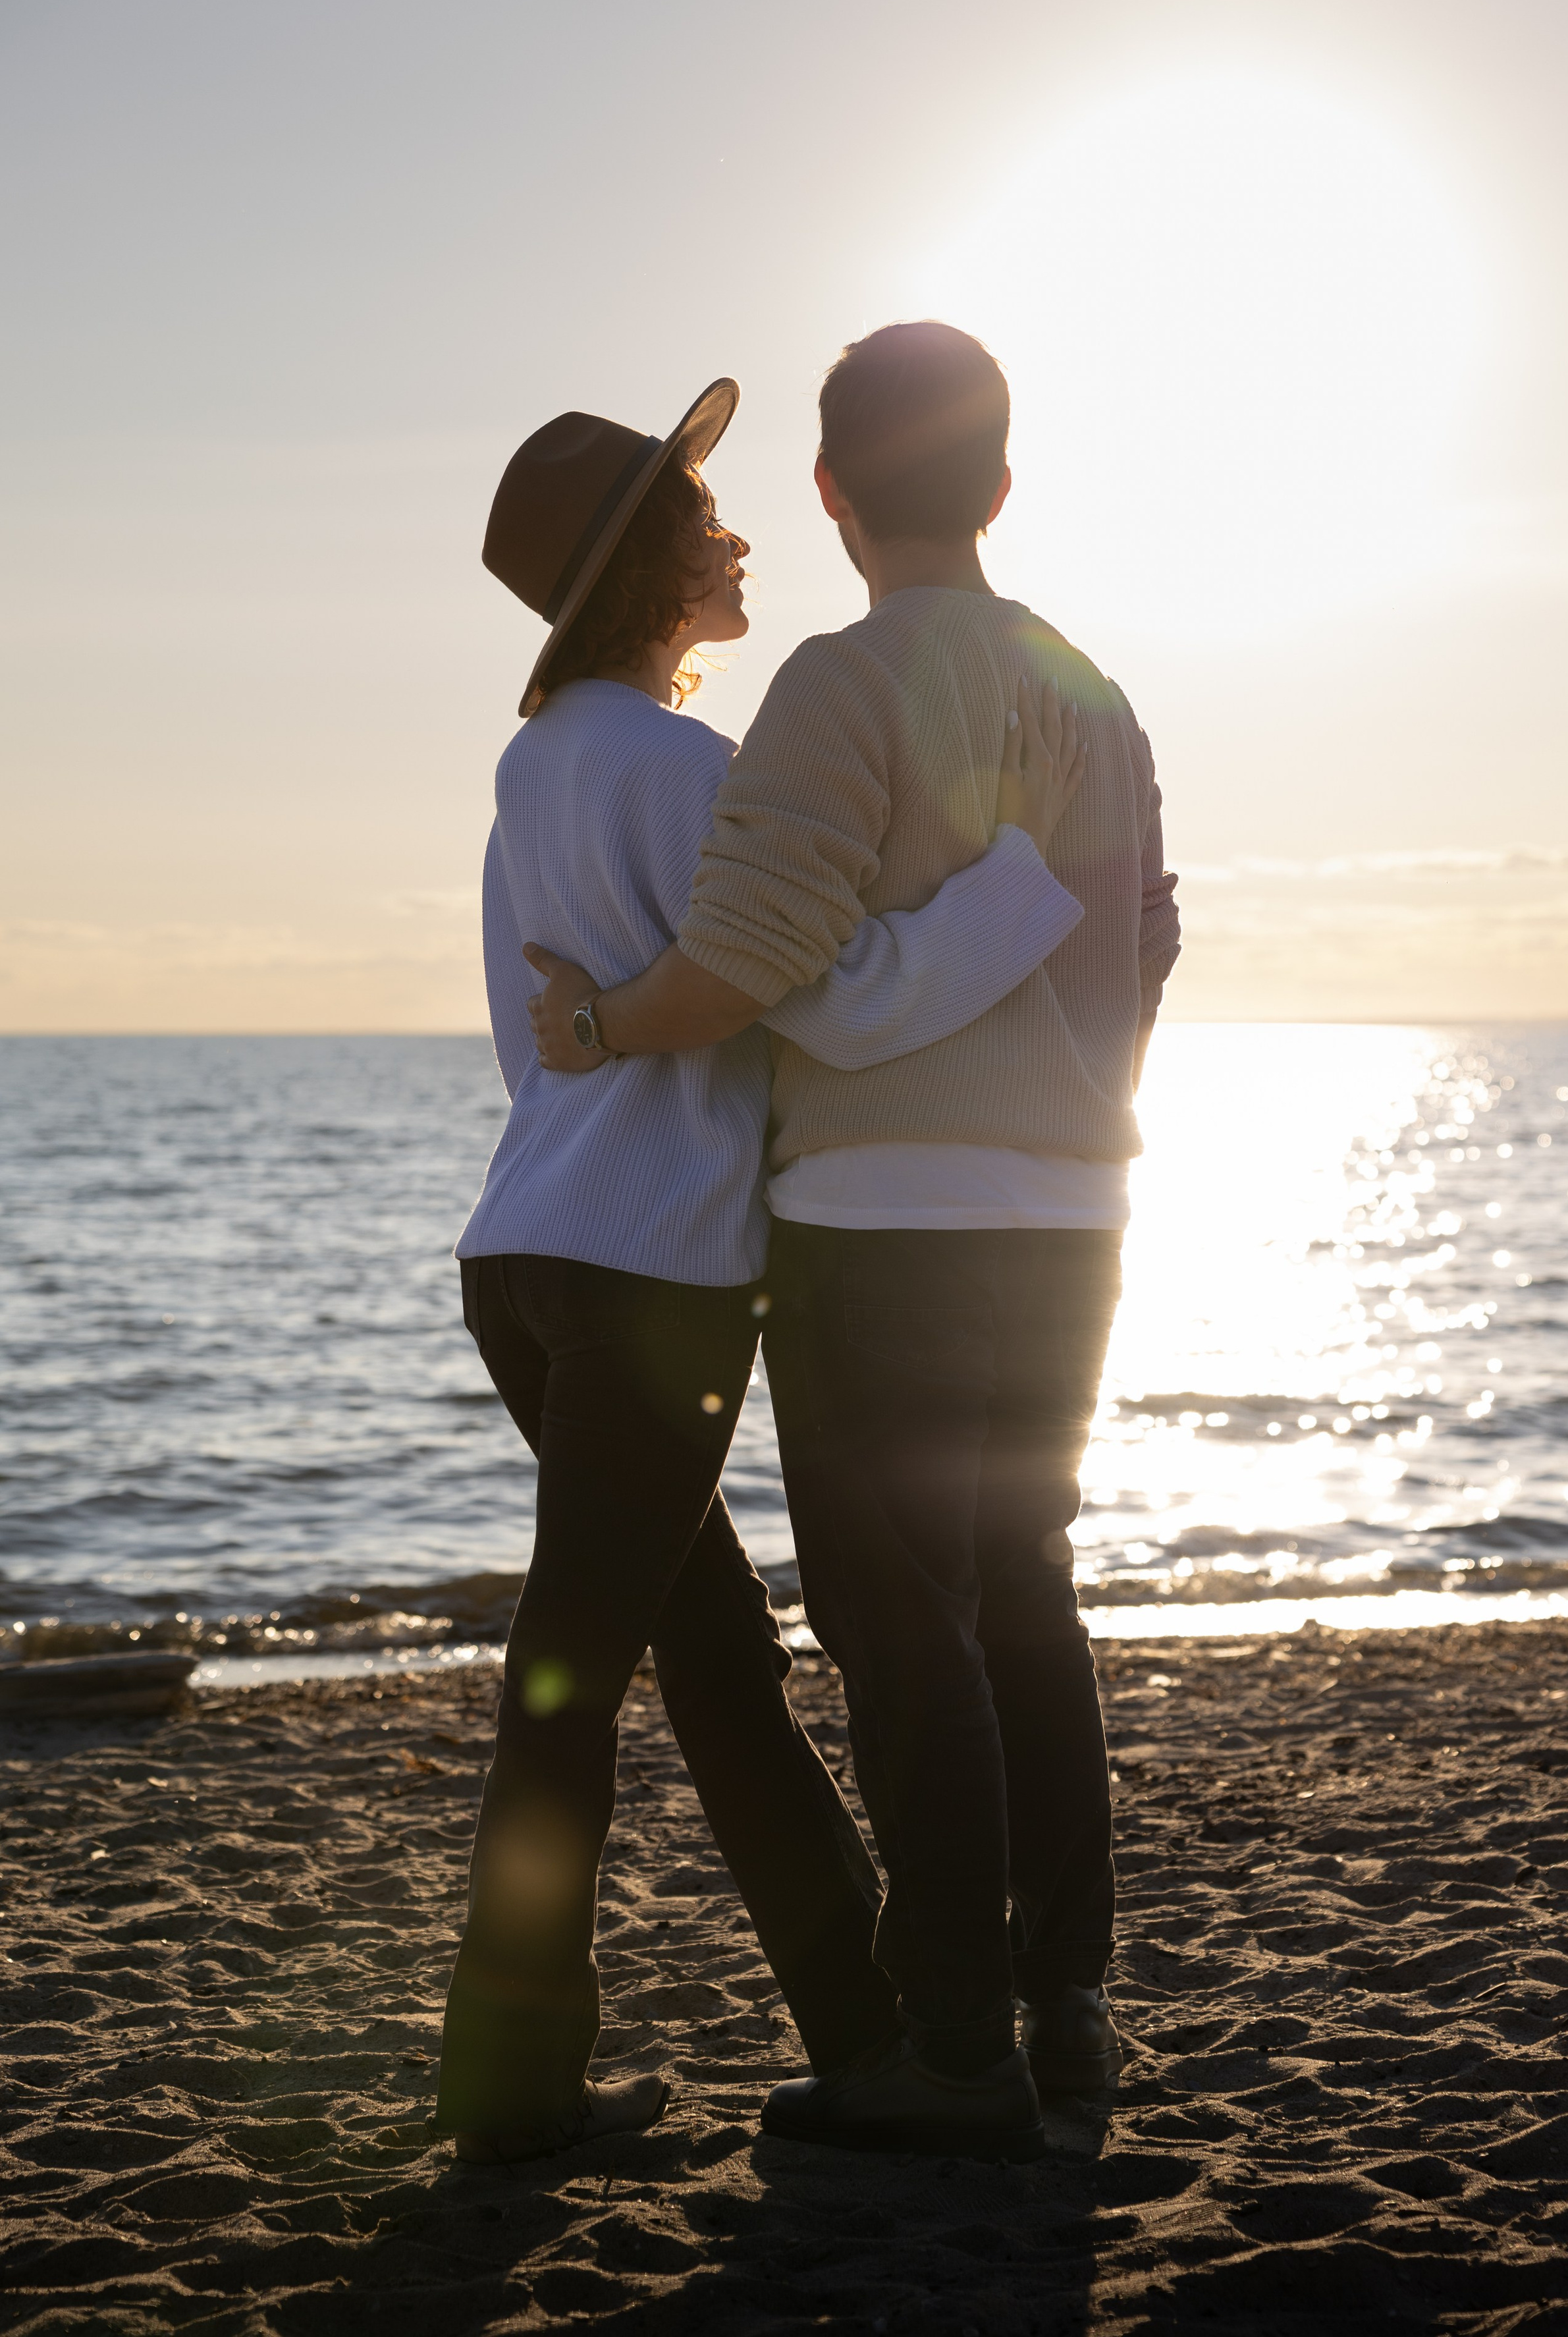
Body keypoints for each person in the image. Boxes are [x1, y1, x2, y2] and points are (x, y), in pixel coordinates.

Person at [526, 322, 1181, 2161]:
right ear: (998, 486)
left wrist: (588, 1033)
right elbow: (1154, 929)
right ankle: (1067, 2014)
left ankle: (956, 2047)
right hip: (1073, 1214)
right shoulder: (1098, 694)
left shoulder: (835, 685)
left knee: (909, 1636)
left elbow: (740, 966)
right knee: (1025, 1597)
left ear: (829, 495)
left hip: (881, 1226)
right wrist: (1066, 1089)